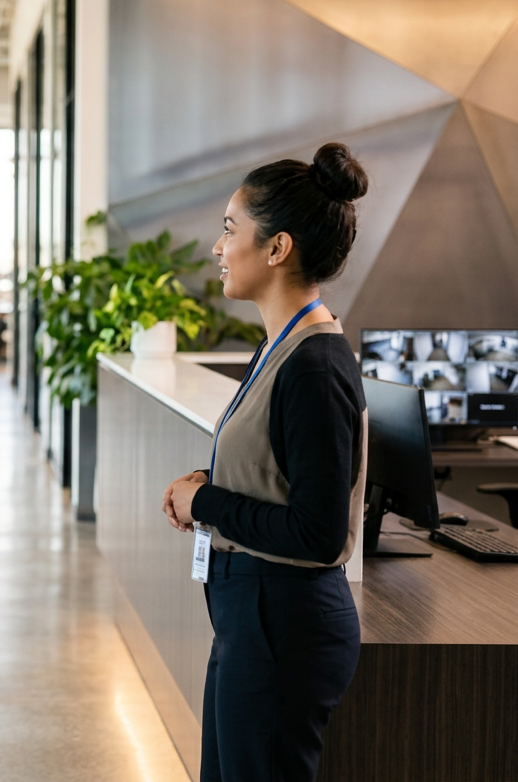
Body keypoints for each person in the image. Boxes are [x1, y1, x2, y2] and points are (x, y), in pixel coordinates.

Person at [161, 143, 369, 782]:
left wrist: (208, 504)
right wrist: (210, 480)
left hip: (285, 626)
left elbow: (318, 532)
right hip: (252, 622)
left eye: (229, 230)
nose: (218, 248)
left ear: (276, 248)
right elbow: (277, 470)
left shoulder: (315, 366)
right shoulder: (282, 346)